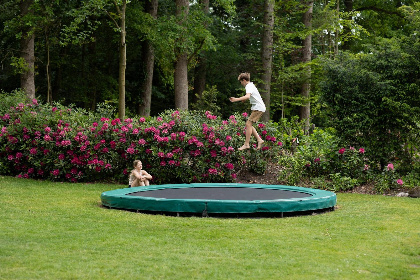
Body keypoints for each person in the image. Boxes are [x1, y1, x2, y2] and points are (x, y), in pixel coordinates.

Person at [229, 72, 266, 150]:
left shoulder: (248, 86)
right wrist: (244, 100)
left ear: (244, 80)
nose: (241, 83)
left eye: (241, 82)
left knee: (248, 124)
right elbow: (250, 96)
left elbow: (247, 96)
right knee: (249, 125)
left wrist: (236, 99)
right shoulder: (251, 85)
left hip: (258, 108)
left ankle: (246, 144)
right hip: (259, 107)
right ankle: (259, 140)